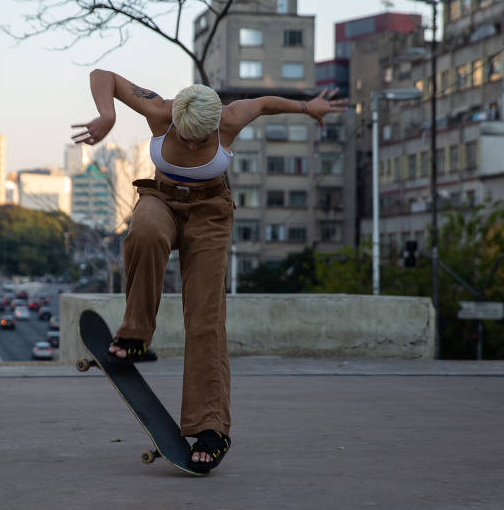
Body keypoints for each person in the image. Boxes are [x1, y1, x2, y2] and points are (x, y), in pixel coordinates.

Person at [71, 69, 346, 473]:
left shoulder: (232, 117)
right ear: (175, 121)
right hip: (161, 199)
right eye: (187, 137)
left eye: (204, 137)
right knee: (144, 231)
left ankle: (211, 428)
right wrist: (107, 114)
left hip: (210, 214)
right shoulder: (161, 112)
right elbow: (102, 75)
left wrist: (310, 108)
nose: (196, 143)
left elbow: (269, 103)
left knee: (205, 319)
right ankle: (134, 337)